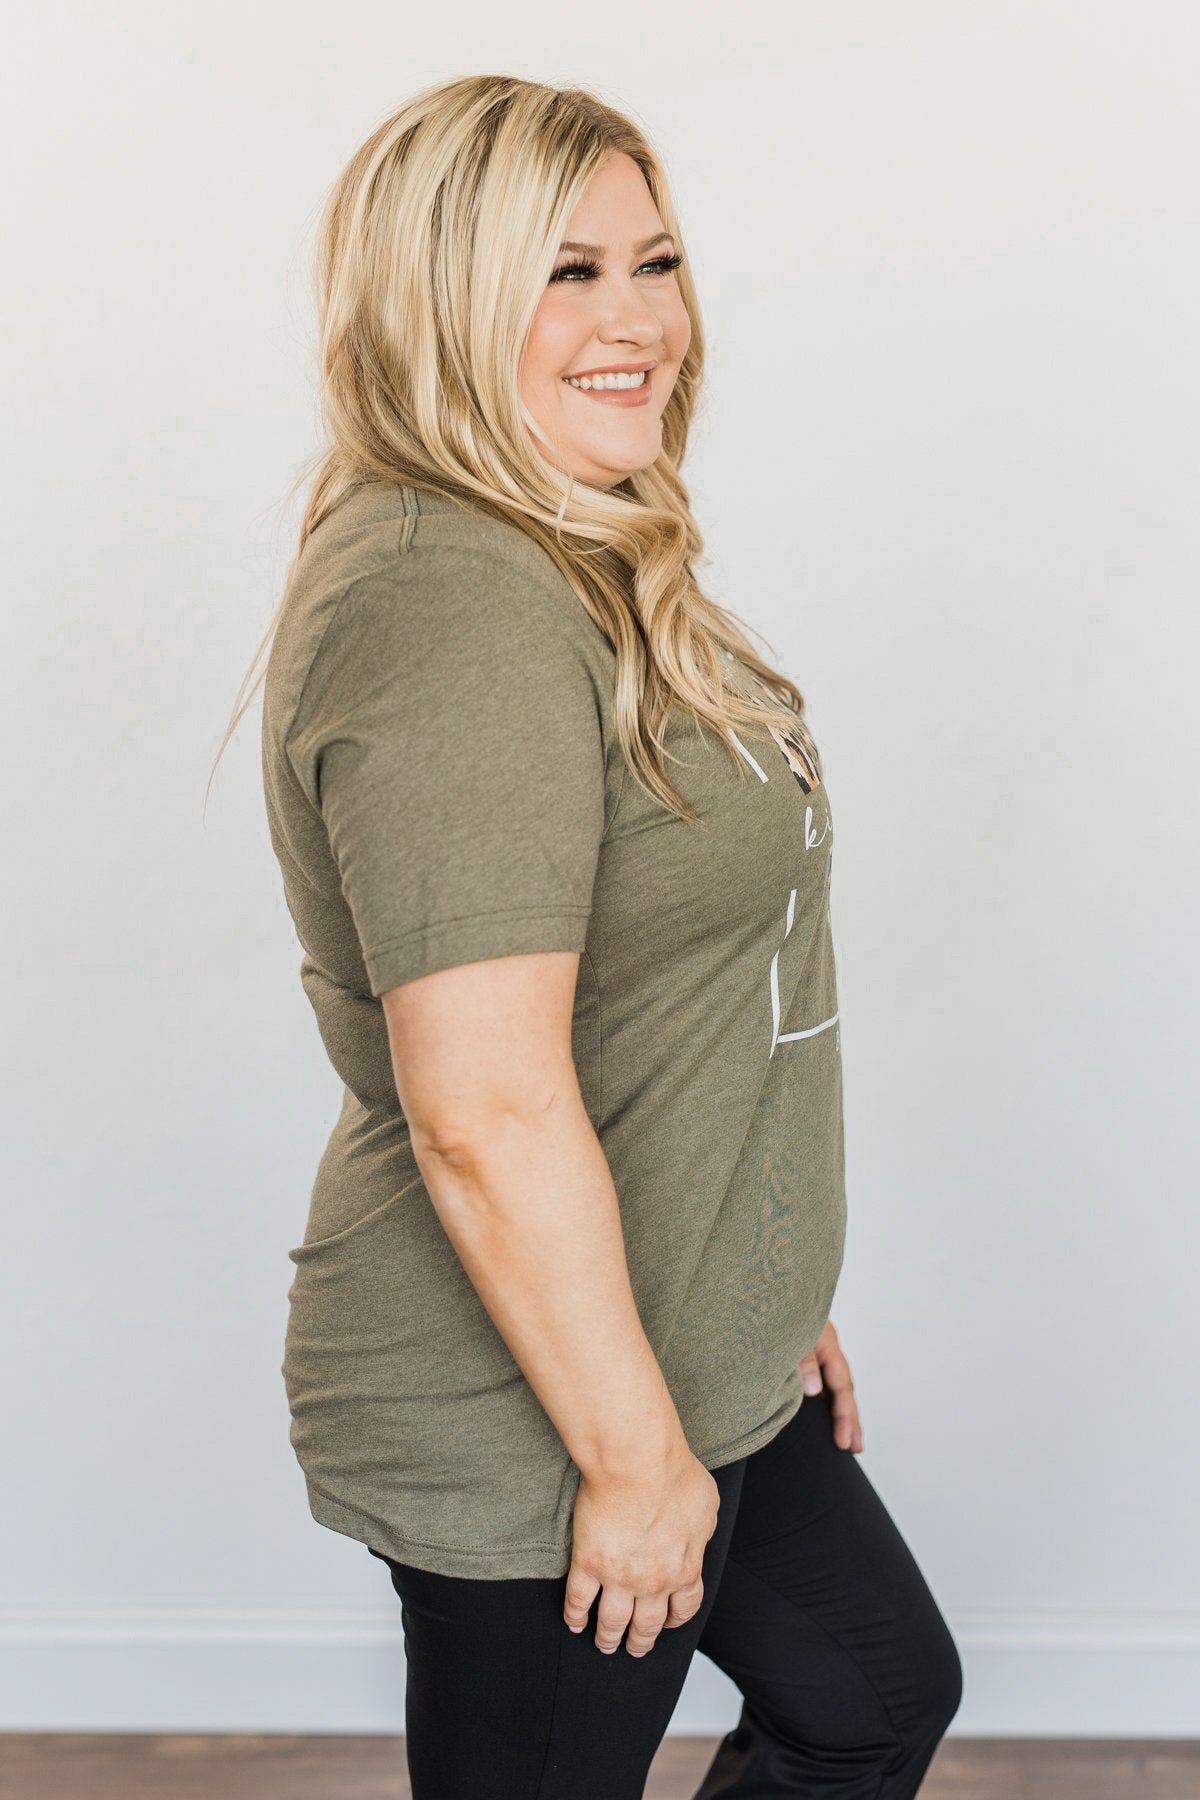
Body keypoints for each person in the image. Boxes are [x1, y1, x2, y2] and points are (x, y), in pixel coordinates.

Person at [232, 72, 962, 1798]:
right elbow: (482, 1110)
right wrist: (635, 1460)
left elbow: (684, 988)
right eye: (566, 272)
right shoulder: (449, 603)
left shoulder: (571, 546)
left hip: (681, 1342)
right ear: (441, 301)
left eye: (657, 261)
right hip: (537, 1416)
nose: (639, 321)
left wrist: (753, 1279)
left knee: (868, 1697)